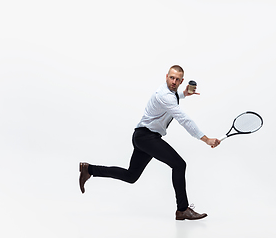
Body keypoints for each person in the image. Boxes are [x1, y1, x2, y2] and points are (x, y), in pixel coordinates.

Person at [79, 65, 220, 220]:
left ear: (182, 81)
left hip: (142, 137)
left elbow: (173, 96)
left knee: (131, 176)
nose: (173, 81)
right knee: (179, 165)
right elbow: (184, 119)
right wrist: (205, 139)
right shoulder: (164, 95)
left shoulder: (171, 93)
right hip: (146, 137)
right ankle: (182, 209)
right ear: (166, 76)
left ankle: (89, 169)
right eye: (171, 77)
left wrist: (184, 93)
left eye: (177, 79)